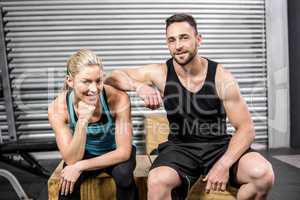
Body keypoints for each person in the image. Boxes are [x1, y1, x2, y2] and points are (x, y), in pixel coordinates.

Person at [105, 13, 275, 200]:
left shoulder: (221, 77)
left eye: (184, 37)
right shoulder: (160, 73)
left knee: (263, 174)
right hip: (180, 148)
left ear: (198, 39)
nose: (178, 46)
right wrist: (139, 86)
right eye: (172, 40)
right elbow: (113, 76)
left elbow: (246, 130)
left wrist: (223, 165)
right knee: (156, 181)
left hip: (218, 147)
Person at [48, 49, 138, 200]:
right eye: (86, 81)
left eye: (98, 81)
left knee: (124, 176)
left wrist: (80, 166)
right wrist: (82, 121)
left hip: (114, 152)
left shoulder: (118, 99)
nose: (94, 89)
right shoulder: (58, 108)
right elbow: (71, 159)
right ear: (70, 81)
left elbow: (123, 152)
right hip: (83, 153)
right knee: (66, 186)